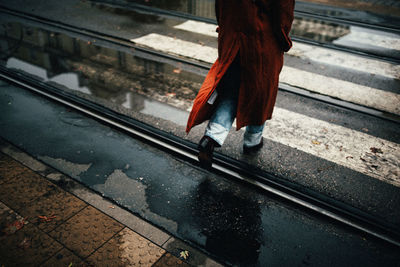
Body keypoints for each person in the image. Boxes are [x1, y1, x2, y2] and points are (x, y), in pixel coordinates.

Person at [186, 0, 295, 169]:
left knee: (231, 91)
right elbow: (283, 12)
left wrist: (225, 28)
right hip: (261, 40)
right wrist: (283, 40)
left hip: (232, 39)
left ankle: (211, 138)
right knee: (261, 93)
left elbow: (220, 5)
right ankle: (252, 142)